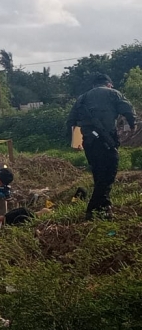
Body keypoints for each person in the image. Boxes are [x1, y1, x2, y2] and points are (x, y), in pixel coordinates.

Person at [66, 73, 136, 220]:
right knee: (109, 174)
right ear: (109, 84)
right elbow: (128, 111)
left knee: (99, 175)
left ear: (93, 85)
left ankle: (104, 208)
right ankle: (91, 210)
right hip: (105, 142)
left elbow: (71, 122)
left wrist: (76, 143)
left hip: (88, 144)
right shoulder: (113, 94)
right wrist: (132, 126)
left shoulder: (82, 98)